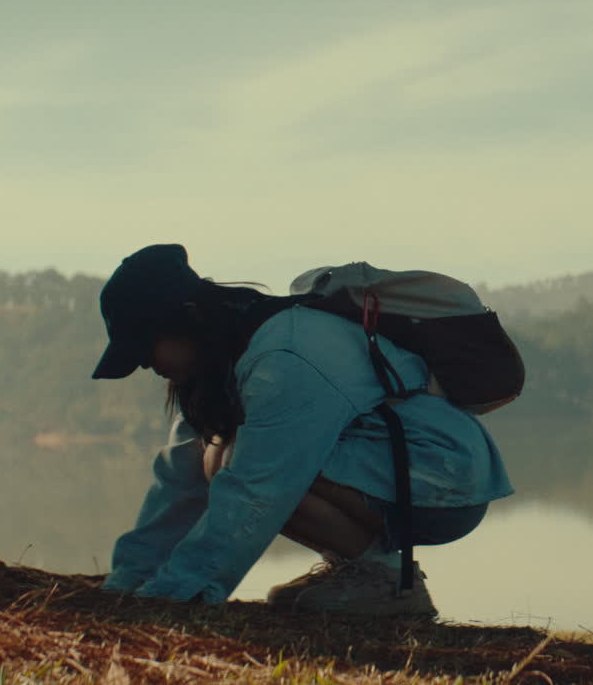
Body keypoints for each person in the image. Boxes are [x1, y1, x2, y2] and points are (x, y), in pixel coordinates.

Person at [93, 244, 512, 614]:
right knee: (215, 456)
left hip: (444, 478)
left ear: (187, 320)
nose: (146, 365)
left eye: (144, 347)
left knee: (234, 461)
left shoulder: (284, 357)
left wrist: (177, 594)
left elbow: (259, 489)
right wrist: (128, 582)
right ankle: (369, 572)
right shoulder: (219, 362)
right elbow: (178, 483)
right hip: (395, 468)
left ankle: (387, 581)